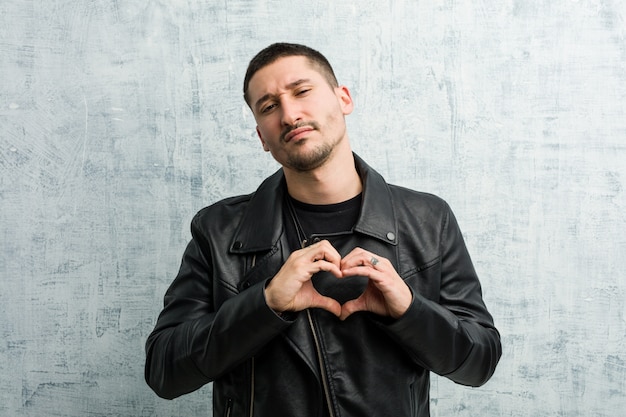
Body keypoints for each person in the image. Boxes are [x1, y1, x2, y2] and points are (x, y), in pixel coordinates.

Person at [145, 42, 501, 417]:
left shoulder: (429, 219)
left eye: (302, 91)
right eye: (268, 106)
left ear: (343, 98)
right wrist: (265, 304)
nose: (289, 113)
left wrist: (410, 310)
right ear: (262, 137)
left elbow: (479, 362)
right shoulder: (217, 230)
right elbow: (164, 371)